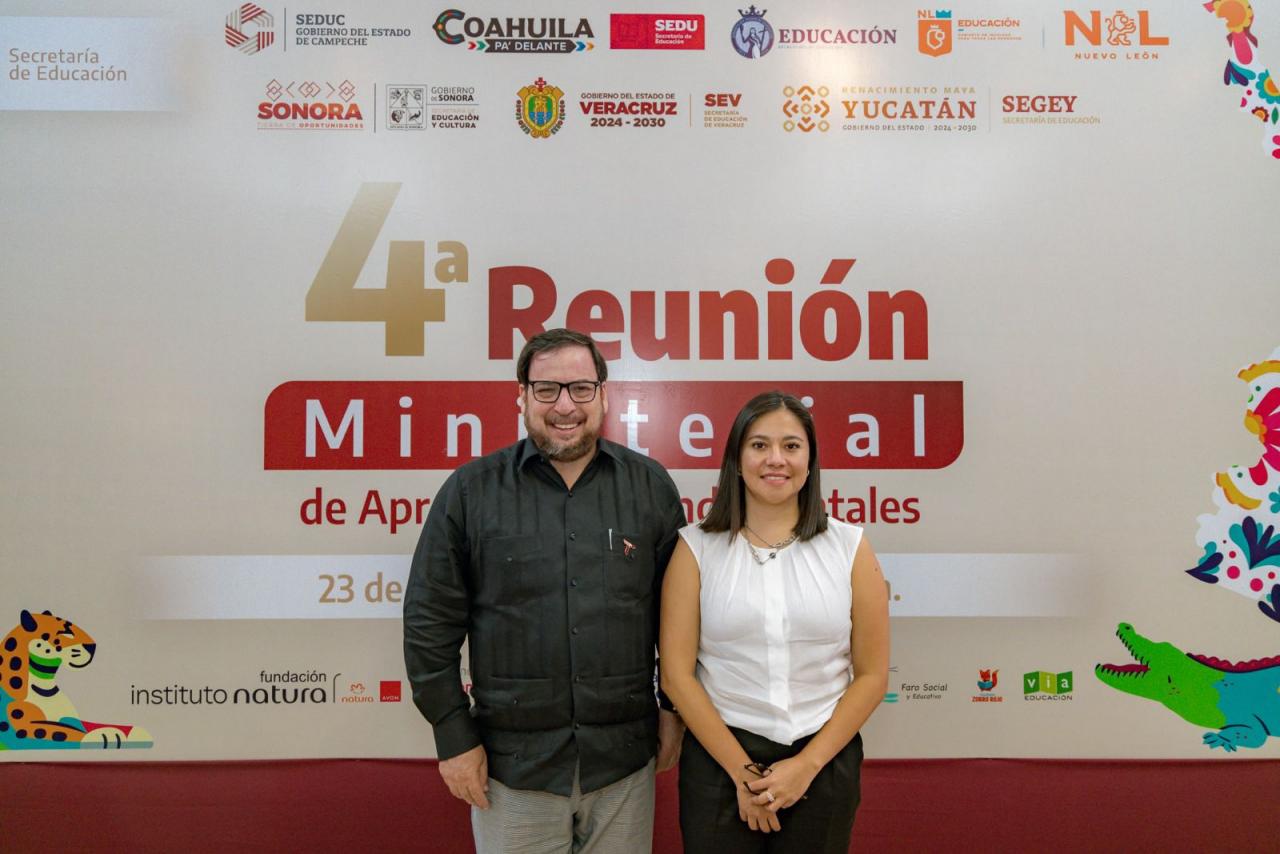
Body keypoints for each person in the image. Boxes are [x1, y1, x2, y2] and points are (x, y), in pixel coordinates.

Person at [403, 328, 687, 853]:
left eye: (580, 388)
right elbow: (429, 624)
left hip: (623, 763)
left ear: (603, 394)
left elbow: (679, 619)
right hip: (513, 769)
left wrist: (673, 710)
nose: (565, 406)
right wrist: (452, 734)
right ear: (522, 396)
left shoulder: (650, 488)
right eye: (547, 389)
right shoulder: (470, 492)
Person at [660, 390, 890, 852]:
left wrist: (806, 766)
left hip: (822, 763)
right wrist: (744, 775)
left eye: (791, 445)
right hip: (720, 766)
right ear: (736, 459)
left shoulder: (849, 546)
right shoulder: (695, 548)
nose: (776, 459)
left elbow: (872, 675)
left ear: (810, 460)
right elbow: (677, 677)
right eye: (759, 445)